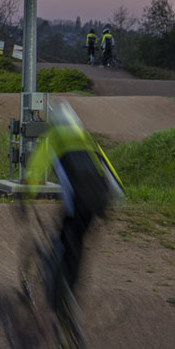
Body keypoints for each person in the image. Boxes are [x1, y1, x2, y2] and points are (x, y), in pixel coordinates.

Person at [24, 100, 124, 312]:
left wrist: (24, 197)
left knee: (66, 239)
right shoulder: (86, 139)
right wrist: (113, 202)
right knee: (76, 244)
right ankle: (70, 295)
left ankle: (60, 302)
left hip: (78, 198)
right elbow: (109, 172)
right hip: (100, 198)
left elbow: (36, 167)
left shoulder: (54, 137)